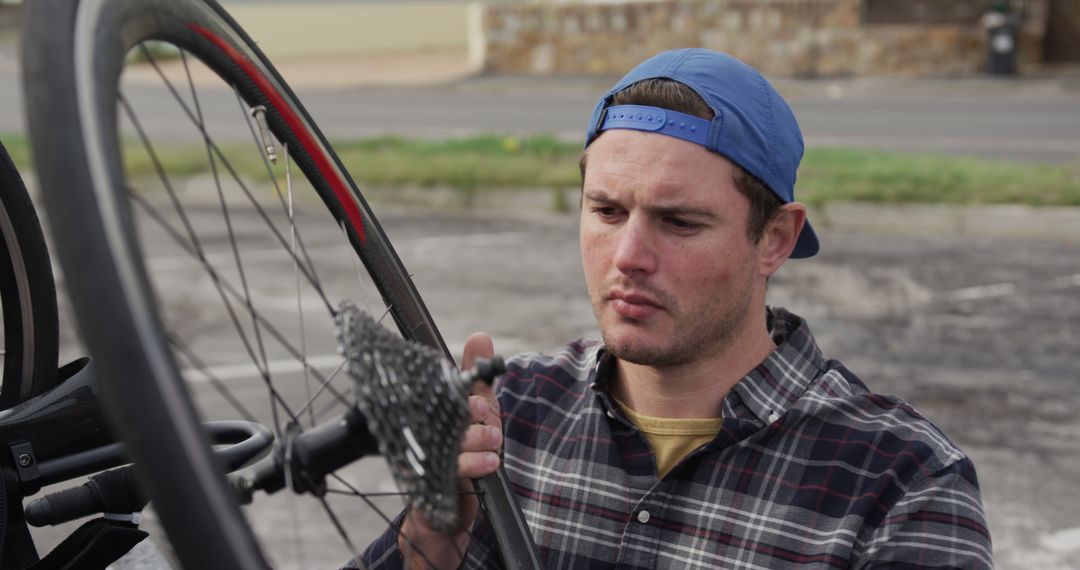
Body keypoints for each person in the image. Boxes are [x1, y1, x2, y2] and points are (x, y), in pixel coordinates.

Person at [361, 48, 992, 569]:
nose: (629, 255)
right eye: (606, 211)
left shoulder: (901, 482)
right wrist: (433, 541)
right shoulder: (507, 417)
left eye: (680, 221)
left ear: (775, 238)